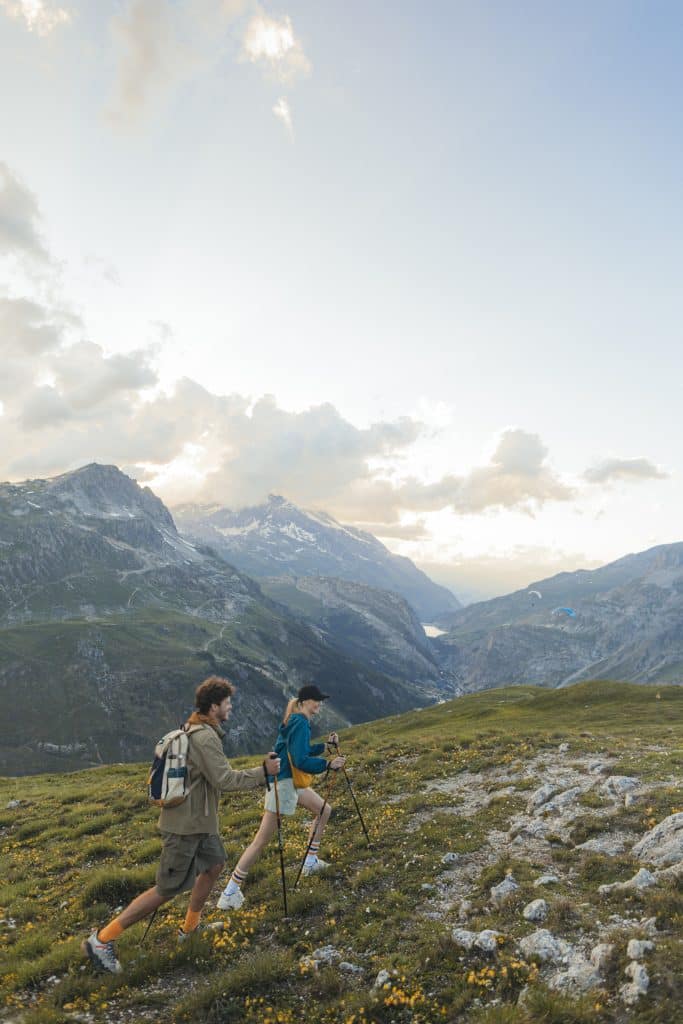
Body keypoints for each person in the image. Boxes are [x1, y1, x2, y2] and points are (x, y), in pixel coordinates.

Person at [81, 676, 280, 973]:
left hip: (201, 823)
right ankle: (101, 940)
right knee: (167, 888)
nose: (231, 707)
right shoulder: (205, 737)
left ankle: (190, 929)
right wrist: (263, 772)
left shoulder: (198, 729)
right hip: (185, 827)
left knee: (214, 865)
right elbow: (224, 780)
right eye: (227, 703)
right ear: (214, 707)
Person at [217, 683, 345, 909]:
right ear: (305, 701)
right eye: (317, 700)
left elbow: (300, 749)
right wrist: (328, 765)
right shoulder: (300, 722)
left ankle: (310, 861)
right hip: (284, 784)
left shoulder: (295, 720)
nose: (320, 704)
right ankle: (229, 892)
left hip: (289, 782)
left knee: (324, 810)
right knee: (261, 840)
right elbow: (299, 760)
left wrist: (325, 746)